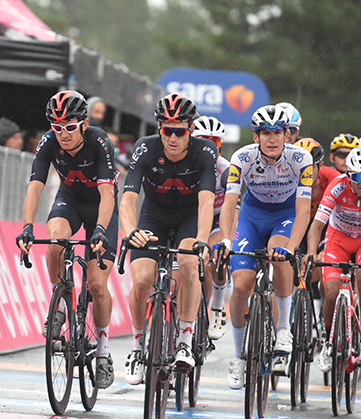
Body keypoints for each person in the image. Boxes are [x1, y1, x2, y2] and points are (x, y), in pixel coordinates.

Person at [16, 90, 118, 389]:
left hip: (101, 206)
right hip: (70, 201)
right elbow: (35, 186)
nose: (63, 134)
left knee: (97, 285)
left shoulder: (99, 141)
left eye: (70, 127)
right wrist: (26, 227)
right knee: (56, 238)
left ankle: (102, 351)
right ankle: (59, 308)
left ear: (83, 124)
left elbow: (108, 193)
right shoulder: (49, 141)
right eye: (57, 126)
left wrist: (100, 229)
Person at [120, 93, 216, 385]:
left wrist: (201, 239)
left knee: (188, 265)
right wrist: (131, 231)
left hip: (189, 216)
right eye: (167, 130)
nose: (173, 138)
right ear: (159, 127)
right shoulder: (145, 148)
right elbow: (127, 199)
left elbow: (206, 202)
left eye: (180, 131)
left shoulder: (205, 151)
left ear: (191, 129)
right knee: (141, 282)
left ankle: (185, 340)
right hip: (155, 216)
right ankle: (138, 347)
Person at [215, 104, 313, 389]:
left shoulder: (301, 158)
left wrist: (293, 246)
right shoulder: (242, 157)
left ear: (286, 135)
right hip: (251, 217)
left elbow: (304, 211)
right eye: (266, 133)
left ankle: (283, 329)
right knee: (242, 284)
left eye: (278, 132)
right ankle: (238, 356)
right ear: (256, 136)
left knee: (280, 257)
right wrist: (225, 239)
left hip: (285, 216)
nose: (272, 138)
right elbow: (230, 203)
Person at [303, 146, 361, 372]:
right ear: (348, 175)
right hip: (338, 239)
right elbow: (317, 226)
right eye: (358, 177)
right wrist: (313, 253)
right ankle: (327, 341)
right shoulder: (337, 186)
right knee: (331, 292)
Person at [190, 115, 233, 341]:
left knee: (217, 254)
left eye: (215, 143)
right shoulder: (185, 165)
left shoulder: (226, 169)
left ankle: (216, 307)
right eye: (204, 141)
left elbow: (233, 208)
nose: (210, 148)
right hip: (191, 219)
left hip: (217, 219)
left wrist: (227, 238)